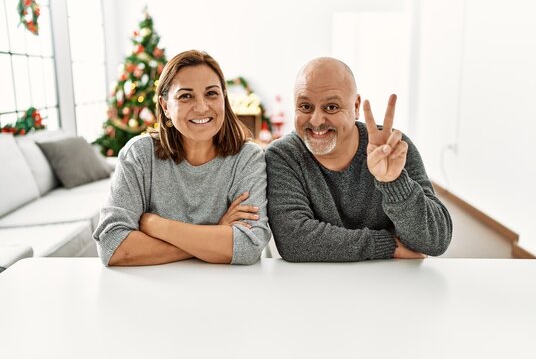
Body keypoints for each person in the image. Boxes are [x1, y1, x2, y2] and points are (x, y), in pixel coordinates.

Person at [93, 50, 271, 266]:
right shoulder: (139, 155)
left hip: (227, 289)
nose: (202, 107)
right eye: (186, 96)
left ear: (224, 97)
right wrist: (215, 235)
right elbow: (113, 246)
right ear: (166, 106)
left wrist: (156, 225)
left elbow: (249, 246)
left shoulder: (247, 158)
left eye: (211, 94)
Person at [265, 57, 452, 262]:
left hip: (389, 284)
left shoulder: (390, 148)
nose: (316, 120)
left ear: (355, 107)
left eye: (331, 107)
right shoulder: (283, 155)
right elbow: (295, 241)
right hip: (316, 286)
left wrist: (394, 183)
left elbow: (436, 241)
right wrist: (388, 245)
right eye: (305, 106)